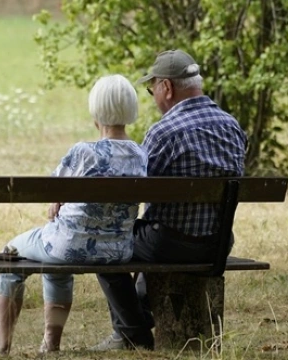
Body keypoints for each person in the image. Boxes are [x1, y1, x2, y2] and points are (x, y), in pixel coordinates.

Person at [91, 50, 248, 351]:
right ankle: (134, 323)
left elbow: (136, 192)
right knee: (150, 234)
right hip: (217, 244)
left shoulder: (164, 132)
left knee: (103, 241)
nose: (153, 97)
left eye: (152, 90)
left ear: (166, 87)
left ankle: (132, 332)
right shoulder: (232, 127)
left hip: (170, 244)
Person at [0, 74, 148, 355]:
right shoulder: (140, 155)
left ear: (95, 112)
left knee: (11, 253)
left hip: (68, 246)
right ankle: (49, 344)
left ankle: (1, 346)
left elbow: (52, 189)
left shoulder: (83, 152)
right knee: (53, 259)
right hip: (117, 251)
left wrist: (58, 200)